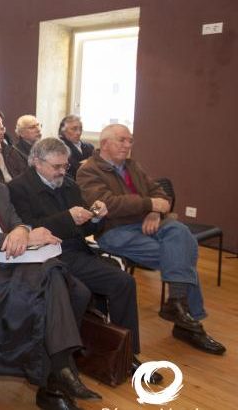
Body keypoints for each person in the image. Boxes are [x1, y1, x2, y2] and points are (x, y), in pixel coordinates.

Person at [0, 131, 99, 410]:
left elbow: (16, 220)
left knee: (71, 285)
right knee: (55, 278)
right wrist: (15, 238)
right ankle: (60, 372)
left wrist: (25, 231)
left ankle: (57, 371)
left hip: (10, 260)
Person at [8, 137, 160, 384]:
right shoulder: (17, 188)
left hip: (75, 251)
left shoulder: (68, 184)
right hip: (45, 256)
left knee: (124, 282)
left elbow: (84, 224)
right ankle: (64, 361)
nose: (61, 171)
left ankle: (128, 353)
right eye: (56, 166)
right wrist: (69, 217)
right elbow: (28, 230)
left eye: (65, 166)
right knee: (83, 292)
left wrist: (96, 216)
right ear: (36, 162)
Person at [76, 124, 225, 355]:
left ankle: (178, 307)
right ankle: (188, 323)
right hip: (115, 231)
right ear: (104, 143)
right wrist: (149, 204)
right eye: (122, 140)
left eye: (130, 141)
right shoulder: (88, 171)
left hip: (148, 223)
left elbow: (161, 195)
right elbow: (106, 204)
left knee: (179, 232)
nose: (128, 145)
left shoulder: (132, 166)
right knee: (182, 257)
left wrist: (155, 212)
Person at [57, 115, 93, 179]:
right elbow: (70, 170)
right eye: (74, 129)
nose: (78, 132)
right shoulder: (59, 148)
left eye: (80, 129)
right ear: (63, 131)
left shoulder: (89, 147)